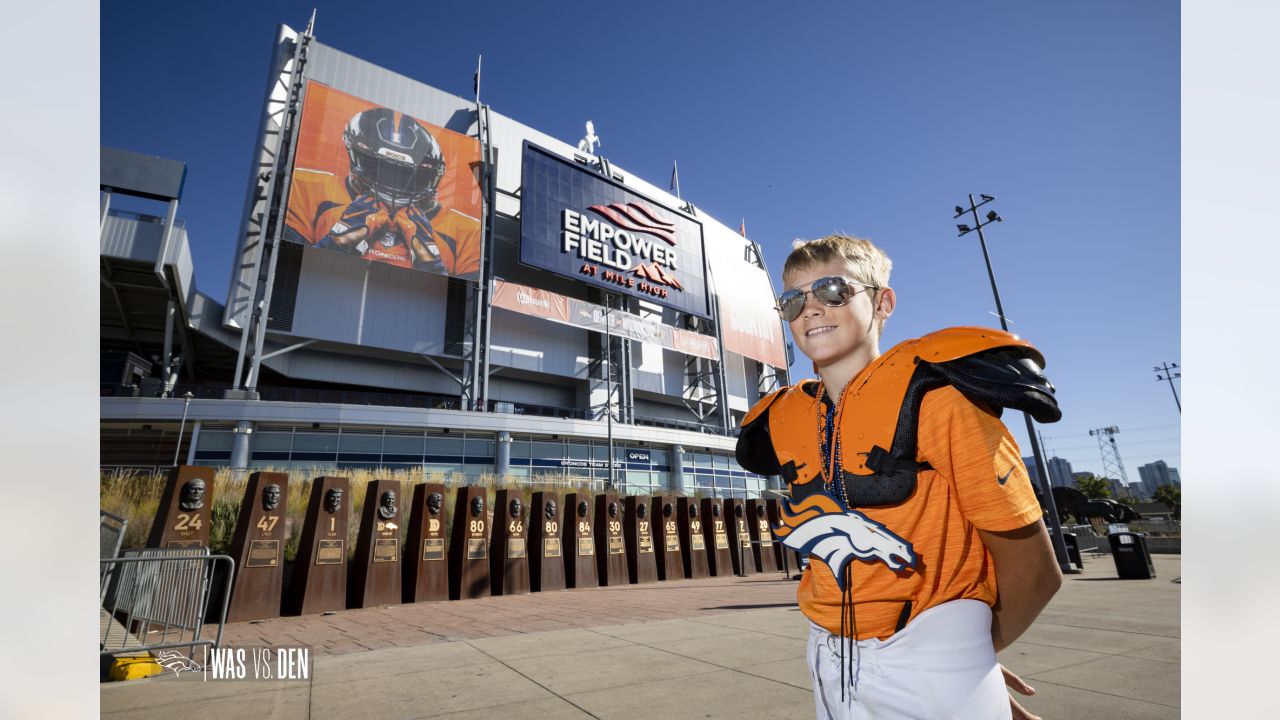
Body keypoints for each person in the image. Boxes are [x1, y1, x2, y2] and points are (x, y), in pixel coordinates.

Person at [737, 235, 1063, 719]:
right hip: (827, 654)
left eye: (832, 290)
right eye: (793, 299)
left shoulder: (940, 401)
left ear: (883, 301)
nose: (811, 309)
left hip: (929, 647)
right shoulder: (786, 419)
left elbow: (1035, 573)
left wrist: (966, 659)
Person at [284, 107, 481, 277]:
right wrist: (334, 243)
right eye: (379, 167)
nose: (396, 185)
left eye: (408, 176)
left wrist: (433, 266)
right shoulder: (308, 189)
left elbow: (466, 304)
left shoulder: (468, 232)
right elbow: (283, 267)